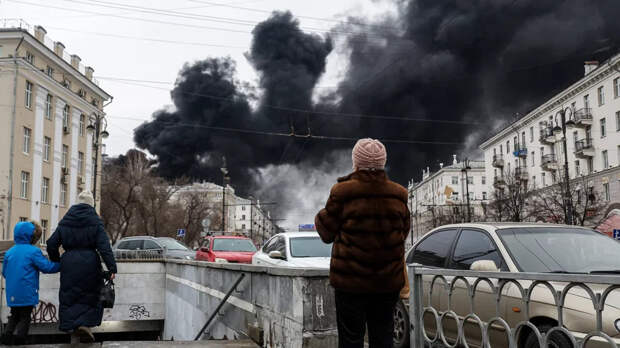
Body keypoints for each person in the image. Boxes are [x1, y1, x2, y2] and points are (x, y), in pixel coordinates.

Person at [315, 138, 410, 348]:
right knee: (384, 337)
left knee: (350, 339)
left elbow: (326, 232)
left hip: (350, 284)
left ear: (355, 163)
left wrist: (324, 214)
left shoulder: (343, 192)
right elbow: (403, 233)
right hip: (387, 283)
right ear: (383, 163)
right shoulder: (399, 194)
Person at [46, 191, 117, 343]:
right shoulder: (95, 221)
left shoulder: (66, 220)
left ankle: (74, 333)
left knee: (69, 297)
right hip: (90, 263)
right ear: (91, 204)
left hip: (69, 264)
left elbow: (51, 244)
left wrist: (57, 260)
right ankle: (85, 326)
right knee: (89, 296)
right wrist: (112, 268)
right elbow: (104, 247)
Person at [1, 221, 60, 345]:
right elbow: (46, 267)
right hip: (26, 291)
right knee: (25, 316)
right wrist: (61, 265)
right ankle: (20, 340)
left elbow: (5, 272)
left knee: (14, 315)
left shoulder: (9, 252)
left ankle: (6, 337)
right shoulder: (33, 252)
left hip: (12, 292)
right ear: (31, 236)